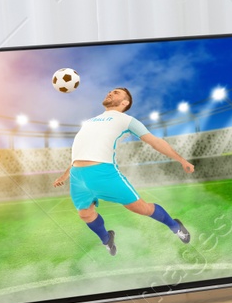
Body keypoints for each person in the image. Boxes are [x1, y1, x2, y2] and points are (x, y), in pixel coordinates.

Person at [53, 86, 196, 255]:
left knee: (141, 208)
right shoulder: (90, 121)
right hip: (78, 176)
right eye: (110, 91)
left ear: (124, 102)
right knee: (85, 214)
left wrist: (181, 159)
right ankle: (107, 239)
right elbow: (81, 151)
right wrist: (65, 175)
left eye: (116, 92)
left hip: (103, 173)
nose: (110, 92)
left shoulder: (127, 120)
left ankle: (175, 226)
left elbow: (155, 141)